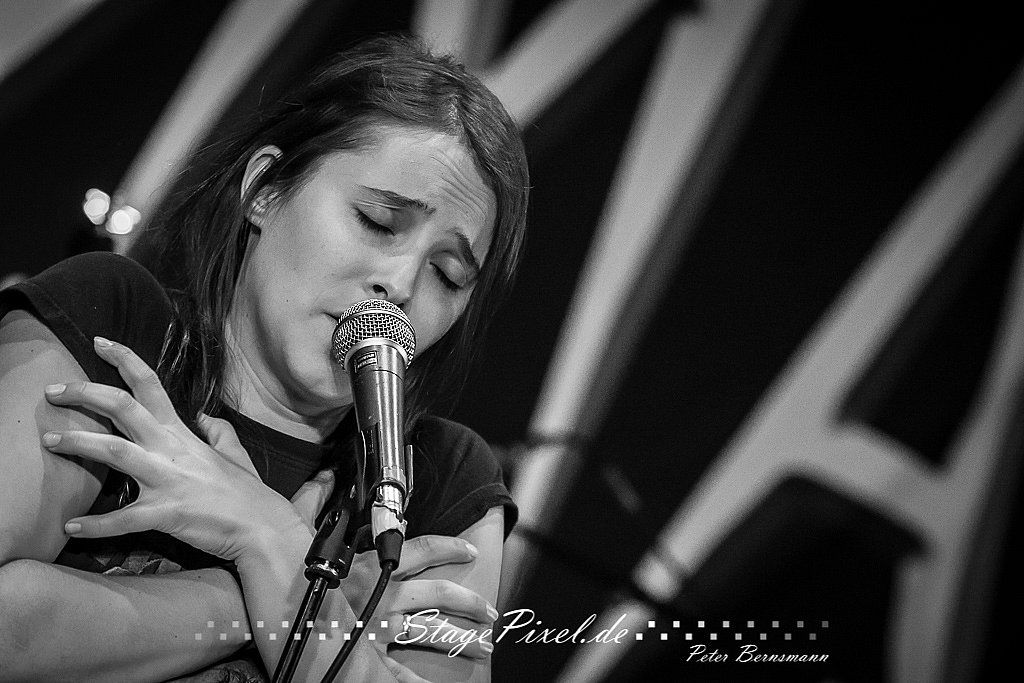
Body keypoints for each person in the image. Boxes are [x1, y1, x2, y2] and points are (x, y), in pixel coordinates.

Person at [0, 33, 528, 682]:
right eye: (377, 220)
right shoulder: (118, 325)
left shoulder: (447, 481)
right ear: (265, 189)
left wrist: (266, 535)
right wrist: (290, 588)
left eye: (447, 273)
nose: (401, 285)